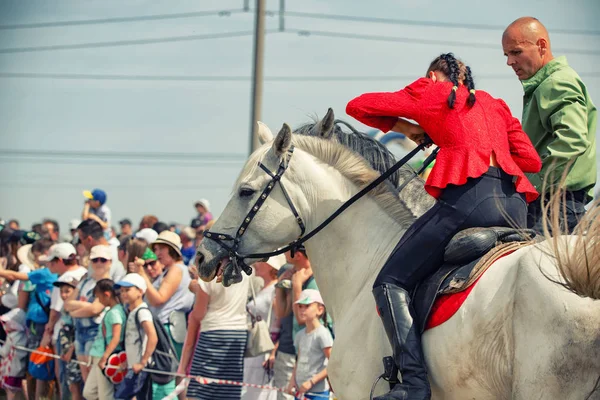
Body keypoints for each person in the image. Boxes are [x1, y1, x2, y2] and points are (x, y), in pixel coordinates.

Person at [346, 52, 541, 399]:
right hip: (515, 206)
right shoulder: (495, 104)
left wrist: (409, 127)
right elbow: (531, 160)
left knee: (389, 282)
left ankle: (415, 385)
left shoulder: (431, 90)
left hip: (470, 202)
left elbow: (358, 106)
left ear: (435, 77)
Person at [502, 17, 597, 233]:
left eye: (516, 52)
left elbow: (571, 141)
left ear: (541, 46)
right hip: (555, 203)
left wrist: (533, 183)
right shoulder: (546, 83)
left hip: (557, 205)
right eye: (507, 55)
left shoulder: (556, 82)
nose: (509, 62)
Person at [182, 267, 250, 400]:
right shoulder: (244, 270)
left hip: (213, 333)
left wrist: (197, 288)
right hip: (238, 333)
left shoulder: (208, 274)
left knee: (199, 392)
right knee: (228, 391)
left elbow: (199, 314)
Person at [130, 231, 193, 359]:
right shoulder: (171, 270)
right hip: (164, 328)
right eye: (156, 249)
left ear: (172, 250)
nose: (157, 253)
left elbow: (158, 299)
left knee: (167, 375)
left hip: (168, 330)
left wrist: (142, 274)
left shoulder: (176, 269)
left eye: (162, 248)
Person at [64, 245, 113, 380]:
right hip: (80, 332)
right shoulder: (85, 282)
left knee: (95, 376)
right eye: (95, 260)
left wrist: (76, 311)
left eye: (103, 260)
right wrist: (86, 307)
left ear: (110, 262)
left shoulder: (108, 284)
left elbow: (96, 309)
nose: (98, 263)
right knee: (86, 376)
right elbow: (67, 304)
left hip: (96, 333)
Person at [242, 255, 287, 400]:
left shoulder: (275, 290)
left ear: (270, 267)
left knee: (259, 391)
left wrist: (273, 350)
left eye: (261, 262)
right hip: (256, 344)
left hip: (265, 346)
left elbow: (279, 322)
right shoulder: (264, 288)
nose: (256, 264)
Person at [115, 273, 162, 399]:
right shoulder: (132, 312)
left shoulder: (142, 312)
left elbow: (152, 336)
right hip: (134, 366)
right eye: (122, 290)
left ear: (140, 291)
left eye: (128, 290)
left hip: (141, 368)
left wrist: (142, 362)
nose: (123, 293)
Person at [285, 289, 333, 400]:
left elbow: (332, 364)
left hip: (318, 394)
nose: (302, 310)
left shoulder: (323, 334)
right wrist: (292, 381)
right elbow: (299, 360)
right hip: (300, 391)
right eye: (300, 306)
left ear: (320, 310)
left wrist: (311, 382)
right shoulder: (299, 335)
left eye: (307, 306)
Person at [83, 279, 126, 400]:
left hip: (105, 355)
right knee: (89, 392)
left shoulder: (115, 313)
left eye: (98, 297)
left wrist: (105, 357)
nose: (98, 300)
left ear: (106, 294)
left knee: (105, 394)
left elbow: (116, 337)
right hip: (99, 354)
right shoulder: (111, 311)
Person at [54, 275, 84, 400]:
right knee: (71, 385)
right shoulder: (64, 308)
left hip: (75, 352)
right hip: (66, 350)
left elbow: (79, 331)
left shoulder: (78, 308)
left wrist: (71, 350)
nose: (64, 295)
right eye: (61, 291)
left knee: (76, 387)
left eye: (67, 291)